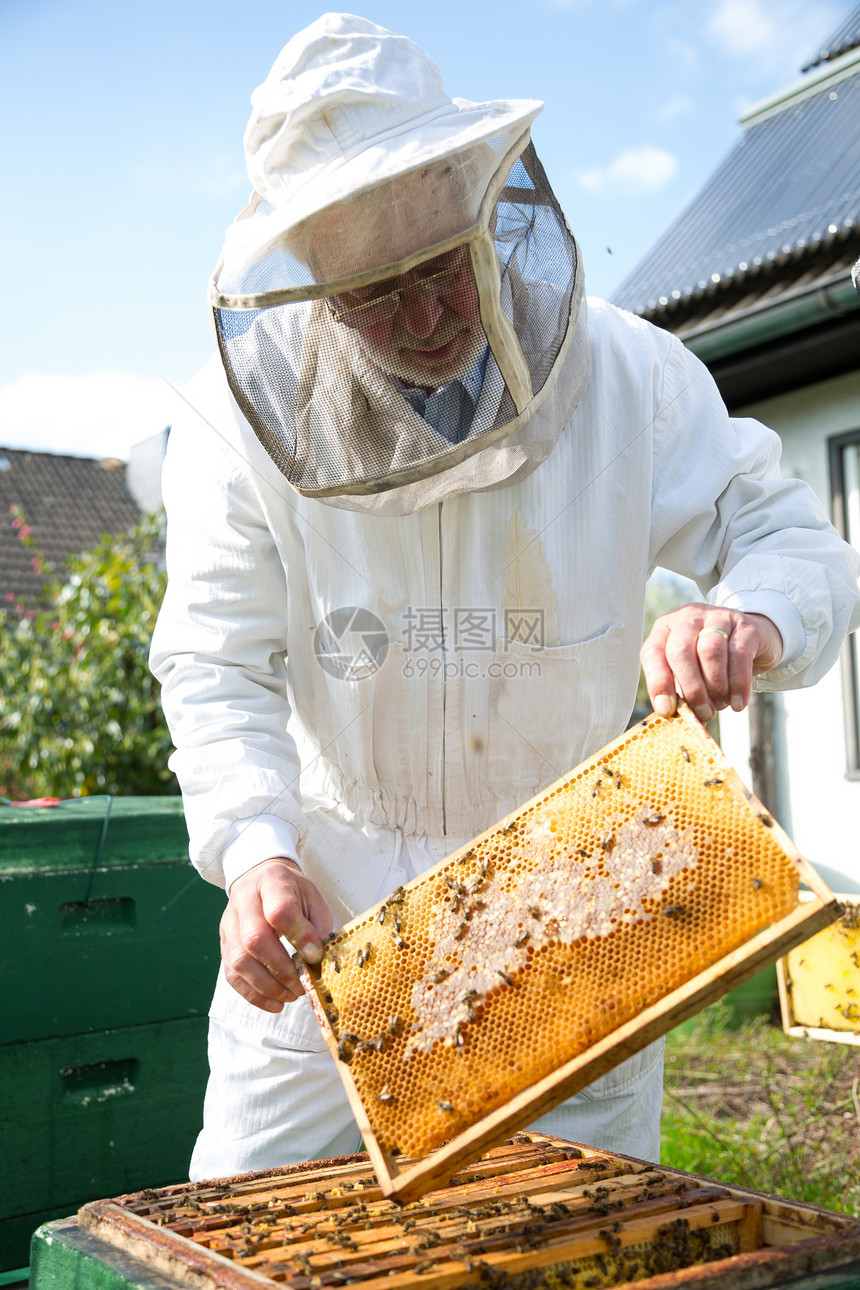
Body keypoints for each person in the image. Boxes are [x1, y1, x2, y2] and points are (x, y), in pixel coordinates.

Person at [150, 13, 860, 1179]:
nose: (424, 319)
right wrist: (254, 851)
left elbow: (790, 536)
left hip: (576, 902)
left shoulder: (627, 374)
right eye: (374, 295)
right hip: (330, 928)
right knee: (250, 1232)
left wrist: (750, 613)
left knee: (561, 1238)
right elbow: (215, 661)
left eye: (440, 266)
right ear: (310, 285)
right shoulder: (229, 433)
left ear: (486, 215)